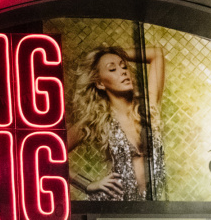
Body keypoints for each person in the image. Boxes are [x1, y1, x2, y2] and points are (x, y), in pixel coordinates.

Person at [67, 44, 166, 200]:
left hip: (151, 205)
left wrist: (116, 53)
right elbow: (50, 156)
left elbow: (156, 53)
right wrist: (88, 185)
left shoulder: (147, 109)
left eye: (124, 66)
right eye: (112, 69)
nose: (123, 72)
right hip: (115, 204)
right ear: (100, 83)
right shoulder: (97, 119)